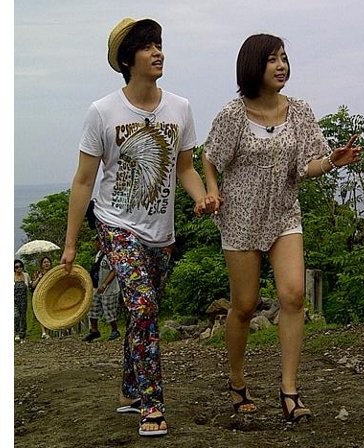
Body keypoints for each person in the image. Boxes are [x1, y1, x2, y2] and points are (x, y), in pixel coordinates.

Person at [202, 33, 362, 422]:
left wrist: (333, 161)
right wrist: (212, 191)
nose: (281, 66)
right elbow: (210, 158)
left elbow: (307, 165)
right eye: (272, 59)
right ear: (253, 65)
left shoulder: (300, 111)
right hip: (240, 217)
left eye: (284, 58)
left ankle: (289, 390)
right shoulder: (233, 114)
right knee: (244, 306)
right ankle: (236, 380)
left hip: (284, 213)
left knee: (293, 296)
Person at [60, 17, 208, 437]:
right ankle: (152, 405)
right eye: (147, 46)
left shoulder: (180, 108)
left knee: (146, 308)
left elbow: (185, 168)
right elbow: (84, 181)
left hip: (161, 233)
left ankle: (129, 388)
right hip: (115, 224)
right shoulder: (102, 112)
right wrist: (70, 244)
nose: (157, 52)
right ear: (127, 59)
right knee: (143, 306)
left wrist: (201, 198)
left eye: (158, 44)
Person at [82, 236, 121, 342]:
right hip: (96, 287)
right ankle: (94, 331)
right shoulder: (99, 254)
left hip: (109, 289)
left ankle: (115, 330)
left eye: (96, 242)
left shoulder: (110, 255)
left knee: (109, 310)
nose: (95, 244)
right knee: (92, 308)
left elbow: (114, 271)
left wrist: (104, 285)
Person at [31, 256, 52, 339]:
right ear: (42, 264)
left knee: (49, 313)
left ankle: (48, 332)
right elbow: (33, 285)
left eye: (48, 262)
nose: (46, 264)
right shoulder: (37, 273)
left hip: (51, 296)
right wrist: (39, 278)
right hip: (40, 297)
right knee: (41, 314)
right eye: (44, 262)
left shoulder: (53, 272)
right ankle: (43, 332)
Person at [14, 259, 31, 343]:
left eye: (20, 266)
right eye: (16, 267)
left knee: (23, 318)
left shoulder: (26, 275)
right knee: (16, 316)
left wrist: (39, 278)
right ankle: (17, 333)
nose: (19, 268)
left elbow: (31, 285)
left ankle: (22, 336)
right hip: (14, 300)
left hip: (23, 300)